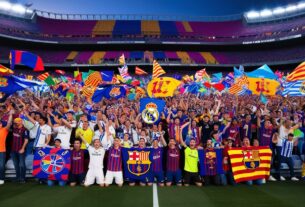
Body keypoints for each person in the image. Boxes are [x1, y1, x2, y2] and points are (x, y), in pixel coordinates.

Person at [11, 117, 29, 183]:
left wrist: (23, 148)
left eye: (17, 122)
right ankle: (18, 177)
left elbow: (26, 140)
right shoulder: (14, 129)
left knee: (22, 164)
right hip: (13, 149)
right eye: (15, 122)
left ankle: (23, 178)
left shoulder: (25, 130)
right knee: (16, 164)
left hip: (20, 149)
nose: (16, 123)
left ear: (21, 122)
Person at [0, 110, 13, 185]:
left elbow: (8, 123)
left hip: (2, 150)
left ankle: (1, 178)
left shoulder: (4, 130)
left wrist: (10, 115)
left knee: (1, 165)